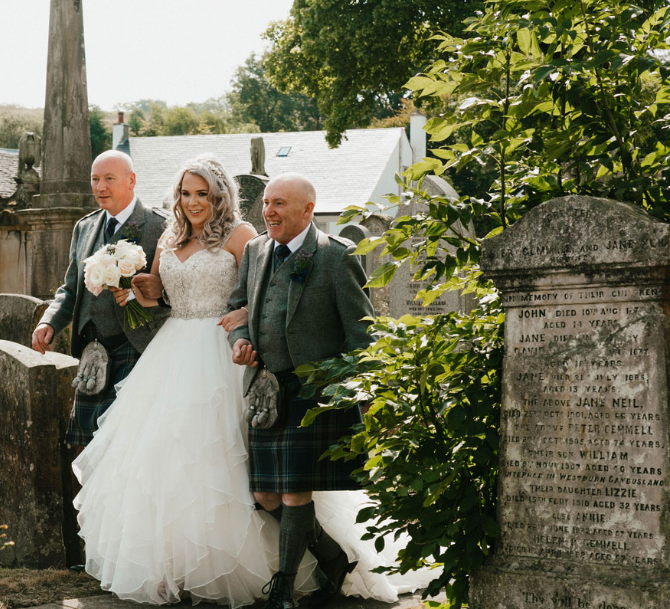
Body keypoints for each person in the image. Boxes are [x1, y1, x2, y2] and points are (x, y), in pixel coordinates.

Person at [73, 159, 431, 607]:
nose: (194, 202)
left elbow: (255, 291)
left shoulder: (242, 235)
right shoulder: (169, 236)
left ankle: (296, 564)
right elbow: (162, 297)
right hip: (172, 353)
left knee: (243, 473)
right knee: (166, 464)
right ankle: (177, 568)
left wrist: (243, 319)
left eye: (203, 194)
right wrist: (137, 290)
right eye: (186, 193)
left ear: (220, 195)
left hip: (225, 355)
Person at [228, 172, 382, 609]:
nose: (268, 211)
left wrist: (364, 392)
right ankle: (332, 558)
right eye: (267, 203)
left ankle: (283, 588)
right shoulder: (257, 250)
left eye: (279, 204)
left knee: (296, 491)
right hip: (266, 388)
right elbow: (236, 308)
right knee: (264, 495)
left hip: (315, 392)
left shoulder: (336, 257)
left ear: (308, 209)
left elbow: (361, 332)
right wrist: (238, 340)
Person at [32, 149, 170, 446]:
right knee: (86, 448)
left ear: (131, 180)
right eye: (95, 179)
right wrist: (50, 322)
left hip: (136, 348)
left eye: (109, 179)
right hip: (90, 350)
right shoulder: (85, 226)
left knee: (126, 446)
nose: (100, 187)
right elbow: (70, 288)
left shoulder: (160, 226)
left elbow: (173, 290)